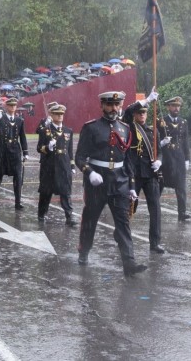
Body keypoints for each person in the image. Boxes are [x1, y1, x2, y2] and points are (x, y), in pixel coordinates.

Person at [75, 91, 147, 277]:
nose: (114, 108)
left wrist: (131, 185)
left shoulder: (125, 128)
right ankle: (84, 251)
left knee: (123, 224)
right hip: (97, 184)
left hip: (119, 182)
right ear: (102, 105)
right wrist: (89, 173)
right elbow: (79, 157)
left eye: (117, 104)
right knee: (90, 219)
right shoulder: (91, 128)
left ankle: (129, 263)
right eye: (110, 104)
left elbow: (128, 160)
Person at [122, 89, 165, 253]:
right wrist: (146, 100)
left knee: (155, 209)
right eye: (139, 113)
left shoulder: (152, 131)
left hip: (150, 175)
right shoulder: (130, 127)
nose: (141, 115)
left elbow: (159, 150)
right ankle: (122, 235)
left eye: (144, 113)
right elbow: (127, 111)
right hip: (134, 175)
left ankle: (155, 243)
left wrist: (159, 161)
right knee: (130, 207)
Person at [36, 104, 75, 225]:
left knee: (65, 191)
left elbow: (70, 151)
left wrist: (72, 166)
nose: (60, 116)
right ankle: (41, 214)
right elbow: (39, 148)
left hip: (63, 165)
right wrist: (48, 147)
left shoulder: (68, 131)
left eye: (62, 114)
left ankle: (69, 216)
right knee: (46, 192)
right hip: (49, 165)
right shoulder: (45, 131)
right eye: (57, 114)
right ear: (51, 115)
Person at [0, 98, 28, 208]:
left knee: (18, 177)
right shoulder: (1, 118)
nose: (13, 107)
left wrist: (25, 151)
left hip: (15, 150)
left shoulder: (19, 120)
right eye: (11, 105)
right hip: (3, 149)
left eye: (14, 105)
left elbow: (22, 137)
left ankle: (18, 202)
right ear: (7, 107)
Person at [158, 96, 191, 221]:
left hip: (179, 158)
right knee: (159, 185)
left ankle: (182, 213)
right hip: (165, 157)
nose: (176, 108)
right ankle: (155, 209)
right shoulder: (161, 121)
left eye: (178, 106)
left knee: (181, 186)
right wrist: (161, 142)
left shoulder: (183, 122)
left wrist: (187, 159)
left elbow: (185, 142)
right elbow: (154, 139)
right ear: (168, 107)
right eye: (174, 106)